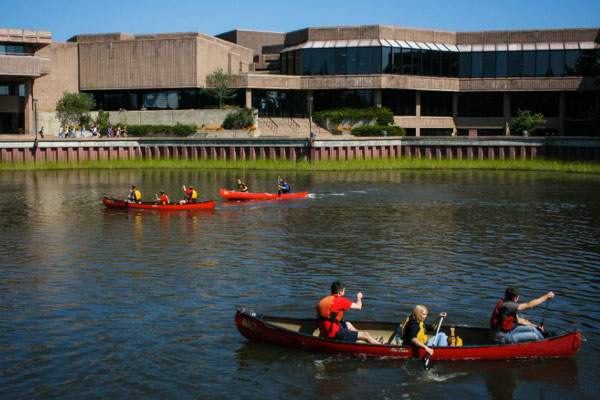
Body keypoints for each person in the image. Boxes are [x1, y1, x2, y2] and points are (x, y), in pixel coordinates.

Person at [316, 281, 382, 344]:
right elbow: (359, 306)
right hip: (335, 334)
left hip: (325, 331)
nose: (345, 293)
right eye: (344, 291)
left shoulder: (324, 300)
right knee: (366, 334)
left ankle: (361, 337)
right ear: (339, 292)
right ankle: (380, 345)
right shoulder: (340, 300)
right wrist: (359, 298)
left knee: (348, 324)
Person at [490, 287, 554, 344]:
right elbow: (529, 305)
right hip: (501, 338)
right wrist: (546, 296)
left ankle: (545, 343)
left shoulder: (507, 303)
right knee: (534, 336)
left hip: (508, 332)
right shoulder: (508, 305)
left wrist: (536, 326)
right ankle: (545, 345)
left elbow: (519, 320)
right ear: (516, 298)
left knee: (532, 328)